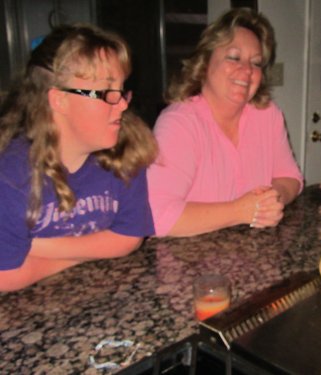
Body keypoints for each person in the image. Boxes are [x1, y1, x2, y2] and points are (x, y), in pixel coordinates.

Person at [0, 24, 157, 291]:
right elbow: (4, 276)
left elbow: (129, 237)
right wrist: (87, 253)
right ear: (59, 100)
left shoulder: (126, 152)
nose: (123, 104)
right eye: (108, 92)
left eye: (122, 90)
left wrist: (37, 248)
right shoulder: (11, 175)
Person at [147, 8, 303, 237]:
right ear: (205, 62)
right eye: (234, 57)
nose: (247, 71)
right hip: (192, 265)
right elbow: (153, 215)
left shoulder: (267, 115)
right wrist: (240, 211)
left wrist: (272, 199)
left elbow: (290, 177)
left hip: (253, 258)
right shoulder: (179, 124)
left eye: (256, 63)